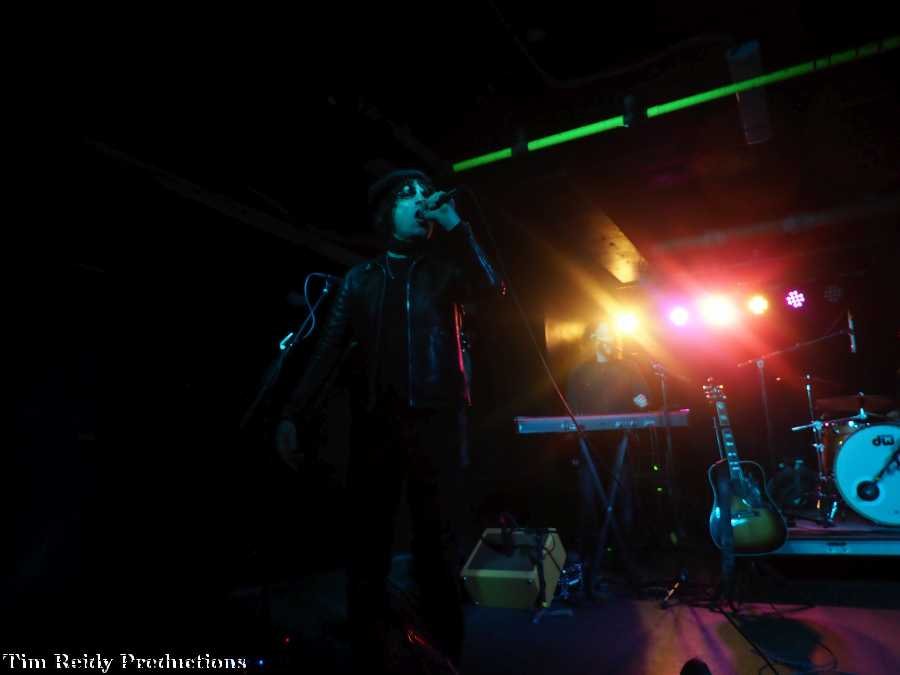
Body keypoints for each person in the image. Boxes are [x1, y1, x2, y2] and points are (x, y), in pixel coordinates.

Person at [274, 169, 502, 670]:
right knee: (369, 544)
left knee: (436, 545)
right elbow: (327, 351)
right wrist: (292, 414)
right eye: (407, 194)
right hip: (377, 424)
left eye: (425, 192)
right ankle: (369, 650)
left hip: (437, 423)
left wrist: (457, 225)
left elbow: (492, 286)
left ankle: (446, 656)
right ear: (386, 213)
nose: (421, 200)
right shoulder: (361, 279)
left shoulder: (446, 270)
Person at [566, 320, 650, 600]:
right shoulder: (580, 372)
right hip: (588, 444)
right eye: (603, 333)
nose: (609, 338)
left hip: (620, 442)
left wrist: (642, 400)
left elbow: (643, 397)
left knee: (624, 503)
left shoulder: (629, 367)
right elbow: (572, 408)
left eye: (611, 333)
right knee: (588, 502)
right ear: (592, 338)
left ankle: (626, 564)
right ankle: (590, 565)